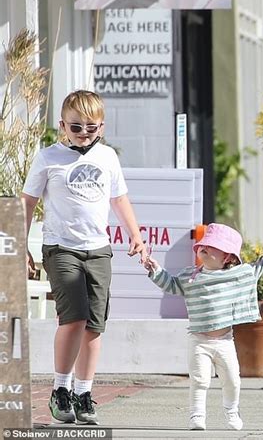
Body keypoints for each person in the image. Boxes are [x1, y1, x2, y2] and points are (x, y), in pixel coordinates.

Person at [22, 90, 147, 425]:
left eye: (91, 128)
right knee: (73, 318)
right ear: (62, 125)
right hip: (61, 247)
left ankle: (83, 392)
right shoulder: (49, 158)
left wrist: (136, 235)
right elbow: (28, 201)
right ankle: (60, 389)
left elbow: (119, 200)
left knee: (93, 326)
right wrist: (20, 246)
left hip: (98, 250)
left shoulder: (107, 157)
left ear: (102, 127)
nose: (83, 134)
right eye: (76, 127)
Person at [143, 223, 263, 431]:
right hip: (198, 340)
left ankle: (231, 410)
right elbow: (170, 284)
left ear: (228, 257)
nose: (204, 247)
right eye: (203, 244)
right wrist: (155, 270)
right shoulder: (190, 276)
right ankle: (197, 415)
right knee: (199, 380)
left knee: (233, 380)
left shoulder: (238, 275)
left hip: (225, 341)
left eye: (212, 245)